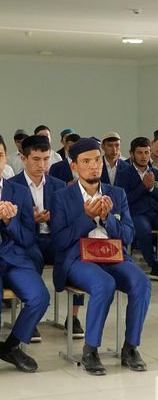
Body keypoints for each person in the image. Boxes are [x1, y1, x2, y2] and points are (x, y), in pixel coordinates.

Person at [50, 138, 151, 375]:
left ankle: (130, 347)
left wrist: (107, 219)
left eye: (97, 160)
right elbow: (60, 241)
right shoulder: (62, 196)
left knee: (142, 282)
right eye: (86, 161)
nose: (93, 166)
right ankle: (90, 350)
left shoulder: (117, 193)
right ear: (74, 166)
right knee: (103, 283)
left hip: (113, 255)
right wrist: (87, 218)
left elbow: (128, 235)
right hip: (79, 258)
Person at [11, 135, 84, 339]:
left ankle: (73, 316)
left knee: (76, 255)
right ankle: (31, 317)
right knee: (32, 258)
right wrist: (31, 220)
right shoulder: (12, 185)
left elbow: (68, 220)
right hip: (27, 240)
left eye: (45, 159)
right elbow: (9, 225)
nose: (42, 165)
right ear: (24, 159)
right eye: (36, 159)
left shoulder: (58, 185)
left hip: (53, 238)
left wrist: (53, 218)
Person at [0, 136, 50, 373]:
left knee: (40, 297)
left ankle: (10, 346)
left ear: (5, 158)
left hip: (13, 257)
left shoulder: (18, 191)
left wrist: (9, 222)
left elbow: (29, 238)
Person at [120, 137, 158, 281]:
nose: (143, 156)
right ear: (132, 154)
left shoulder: (157, 173)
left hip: (157, 213)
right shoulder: (124, 173)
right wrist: (143, 187)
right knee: (143, 230)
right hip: (137, 214)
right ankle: (153, 264)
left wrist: (152, 188)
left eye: (146, 152)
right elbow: (124, 200)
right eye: (139, 153)